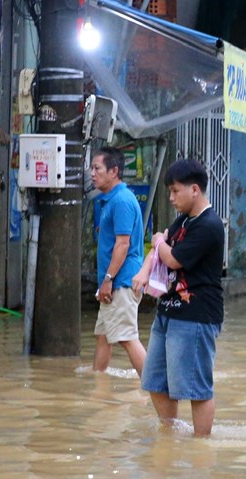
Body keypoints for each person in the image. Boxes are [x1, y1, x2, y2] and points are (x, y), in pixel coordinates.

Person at [132, 159, 225, 436]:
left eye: (175, 191)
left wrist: (160, 242)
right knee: (155, 382)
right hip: (168, 311)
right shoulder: (185, 220)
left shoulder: (209, 225)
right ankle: (170, 436)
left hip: (196, 314)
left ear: (194, 189)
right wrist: (144, 270)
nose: (171, 198)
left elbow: (171, 258)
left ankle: (200, 445)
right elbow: (160, 244)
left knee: (197, 388)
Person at [91, 147, 147, 376]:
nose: (92, 173)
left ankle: (153, 385)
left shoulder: (122, 200)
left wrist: (107, 279)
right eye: (91, 168)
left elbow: (122, 245)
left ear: (113, 171)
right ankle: (98, 384)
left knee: (126, 338)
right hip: (115, 282)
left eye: (97, 168)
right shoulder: (111, 200)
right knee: (104, 337)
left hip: (121, 282)